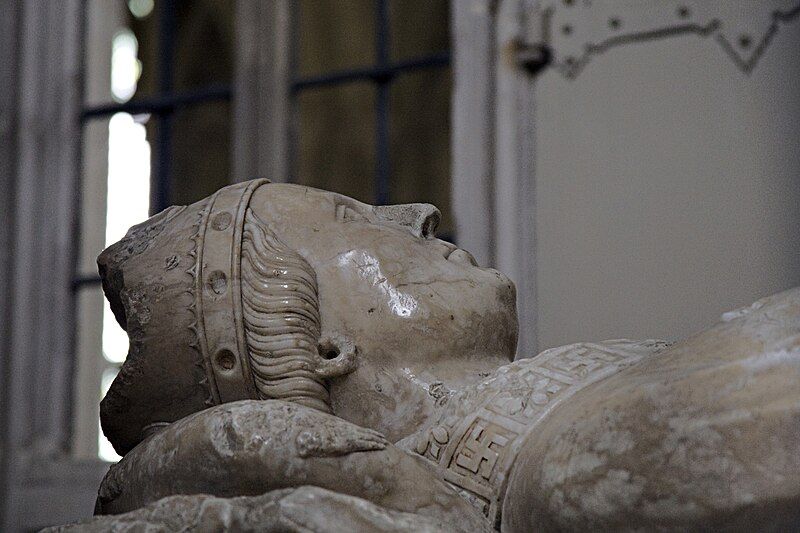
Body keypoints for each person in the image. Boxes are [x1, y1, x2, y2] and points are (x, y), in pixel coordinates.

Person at [89, 180, 800, 531]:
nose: (416, 212)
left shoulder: (553, 434)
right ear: (325, 347)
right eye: (352, 219)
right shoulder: (569, 457)